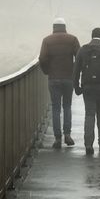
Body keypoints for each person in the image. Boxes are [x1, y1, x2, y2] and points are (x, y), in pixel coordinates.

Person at [72, 27, 100, 155]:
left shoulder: (83, 50)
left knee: (89, 114)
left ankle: (88, 144)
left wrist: (76, 87)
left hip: (88, 88)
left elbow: (75, 71)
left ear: (92, 36)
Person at [39, 17, 80, 149]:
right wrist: (74, 72)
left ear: (53, 27)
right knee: (67, 106)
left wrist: (47, 71)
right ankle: (67, 134)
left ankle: (57, 138)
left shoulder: (47, 40)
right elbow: (79, 57)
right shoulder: (72, 39)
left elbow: (42, 58)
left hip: (54, 78)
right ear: (64, 27)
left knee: (56, 108)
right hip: (68, 78)